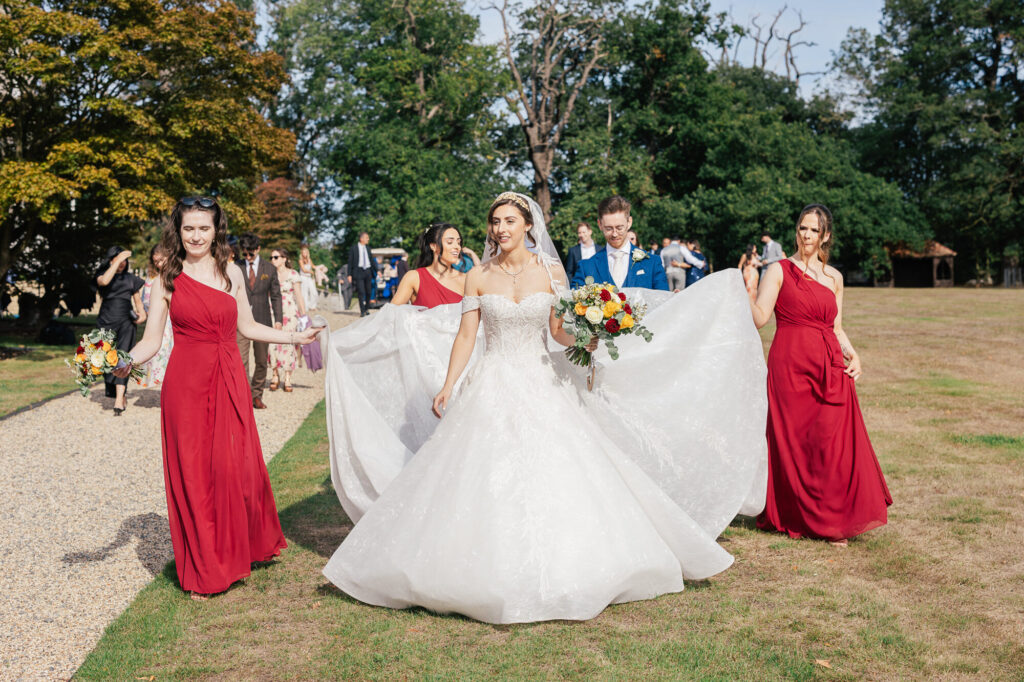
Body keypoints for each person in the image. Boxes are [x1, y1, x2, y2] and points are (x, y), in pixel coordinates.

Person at [322, 191, 769, 624]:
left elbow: (557, 332)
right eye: (495, 222)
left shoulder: (552, 272)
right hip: (492, 380)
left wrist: (587, 336)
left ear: (528, 225)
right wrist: (447, 384)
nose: (500, 229)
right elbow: (466, 336)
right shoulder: (478, 275)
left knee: (558, 469)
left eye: (509, 221)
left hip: (540, 379)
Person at [113, 196, 321, 599]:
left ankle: (242, 546)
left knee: (233, 466)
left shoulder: (233, 274)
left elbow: (249, 326)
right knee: (194, 473)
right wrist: (122, 360)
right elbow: (152, 341)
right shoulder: (165, 281)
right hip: (187, 384)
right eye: (188, 228)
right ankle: (208, 568)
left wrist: (296, 336)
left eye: (203, 228)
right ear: (178, 230)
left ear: (215, 229)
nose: (195, 235)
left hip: (229, 378)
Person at [749, 204, 892, 544]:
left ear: (826, 235)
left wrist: (853, 353)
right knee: (795, 442)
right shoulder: (779, 270)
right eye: (802, 228)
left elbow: (836, 327)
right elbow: (759, 319)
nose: (806, 235)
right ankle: (799, 515)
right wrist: (749, 288)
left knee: (831, 443)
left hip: (830, 366)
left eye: (813, 230)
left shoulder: (835, 278)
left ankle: (833, 518)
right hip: (790, 366)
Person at [572, 196, 668, 290]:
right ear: (600, 225)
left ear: (629, 222)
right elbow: (573, 302)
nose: (614, 234)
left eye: (619, 228)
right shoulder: (586, 267)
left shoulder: (652, 263)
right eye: (608, 229)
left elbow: (664, 300)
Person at [95, 245, 146, 414]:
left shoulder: (131, 279)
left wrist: (142, 315)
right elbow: (105, 281)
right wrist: (116, 263)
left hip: (126, 322)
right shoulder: (102, 276)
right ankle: (115, 392)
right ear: (110, 260)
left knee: (123, 358)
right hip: (106, 321)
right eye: (118, 259)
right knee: (106, 358)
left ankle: (119, 398)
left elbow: (138, 302)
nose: (122, 263)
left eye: (125, 260)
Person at [236, 233, 282, 409]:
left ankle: (257, 395)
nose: (247, 257)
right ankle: (244, 396)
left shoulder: (269, 269)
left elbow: (276, 296)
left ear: (258, 249)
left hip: (262, 320)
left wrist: (278, 319)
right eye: (244, 254)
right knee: (241, 361)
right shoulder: (236, 267)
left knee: (262, 360)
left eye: (250, 254)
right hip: (240, 321)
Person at [390, 222, 467, 307]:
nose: (457, 247)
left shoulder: (466, 279)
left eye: (459, 243)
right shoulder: (414, 277)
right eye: (450, 242)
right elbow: (391, 314)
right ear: (433, 246)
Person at [268, 247, 307, 393]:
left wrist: (303, 315)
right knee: (272, 343)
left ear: (284, 259)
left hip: (290, 312)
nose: (273, 260)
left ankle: (288, 377)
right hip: (273, 310)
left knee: (288, 343)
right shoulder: (269, 274)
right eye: (271, 257)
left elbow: (299, 295)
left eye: (276, 257)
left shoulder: (293, 275)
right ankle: (275, 374)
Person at [140, 245, 174, 387]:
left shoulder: (177, 275)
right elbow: (146, 299)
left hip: (174, 319)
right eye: (156, 262)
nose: (159, 264)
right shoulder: (153, 278)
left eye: (161, 260)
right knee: (159, 350)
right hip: (160, 318)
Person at [348, 232, 375, 316]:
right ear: (361, 239)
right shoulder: (354, 248)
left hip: (367, 271)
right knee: (361, 291)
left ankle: (367, 309)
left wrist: (377, 271)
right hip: (358, 271)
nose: (368, 239)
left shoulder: (368, 248)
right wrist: (349, 274)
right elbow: (350, 262)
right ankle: (362, 311)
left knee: (369, 292)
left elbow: (371, 261)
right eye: (367, 238)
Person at [297, 245, 319, 310]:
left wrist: (319, 268)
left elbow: (313, 266)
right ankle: (305, 307)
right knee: (304, 293)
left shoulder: (309, 259)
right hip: (303, 277)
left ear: (307, 253)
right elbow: (304, 270)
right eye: (303, 253)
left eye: (305, 253)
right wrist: (311, 272)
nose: (304, 254)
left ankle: (312, 306)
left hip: (309, 278)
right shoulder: (300, 260)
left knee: (314, 292)